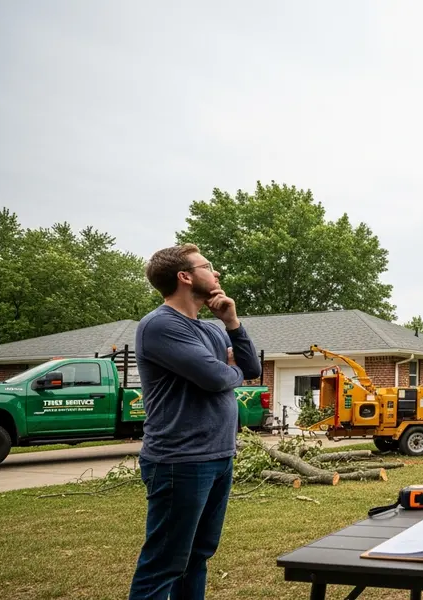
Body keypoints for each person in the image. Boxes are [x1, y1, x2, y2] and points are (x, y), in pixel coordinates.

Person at [128, 243, 262, 600]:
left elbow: (251, 369)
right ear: (185, 277)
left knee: (198, 556)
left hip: (218, 455)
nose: (216, 273)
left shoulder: (213, 330)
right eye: (208, 266)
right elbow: (216, 379)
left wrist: (232, 323)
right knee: (165, 563)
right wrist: (228, 370)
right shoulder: (159, 326)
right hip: (179, 460)